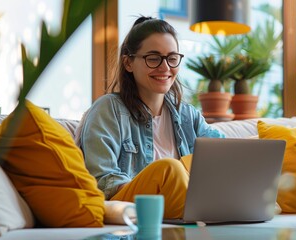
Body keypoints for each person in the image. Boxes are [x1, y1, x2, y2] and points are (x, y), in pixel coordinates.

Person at [75, 16, 225, 219]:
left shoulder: (188, 115)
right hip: (132, 204)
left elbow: (225, 153)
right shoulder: (108, 109)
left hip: (182, 205)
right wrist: (162, 186)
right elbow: (102, 180)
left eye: (172, 58)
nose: (165, 68)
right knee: (169, 169)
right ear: (128, 62)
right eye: (153, 58)